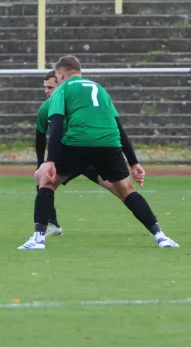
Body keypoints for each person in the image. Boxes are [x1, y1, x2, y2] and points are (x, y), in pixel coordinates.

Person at [18, 55, 179, 250]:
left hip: (78, 141)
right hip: (109, 143)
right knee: (127, 190)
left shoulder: (63, 89)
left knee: (46, 181)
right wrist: (134, 163)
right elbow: (119, 127)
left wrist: (50, 160)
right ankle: (161, 236)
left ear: (61, 74)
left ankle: (38, 238)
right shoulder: (100, 89)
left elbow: (58, 124)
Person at [34, 70, 133, 237]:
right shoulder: (46, 109)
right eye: (45, 87)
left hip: (89, 156)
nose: (47, 91)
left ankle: (148, 221)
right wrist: (41, 163)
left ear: (62, 86)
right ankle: (53, 224)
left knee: (119, 189)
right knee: (41, 176)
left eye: (50, 87)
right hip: (70, 158)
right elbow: (40, 137)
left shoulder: (77, 103)